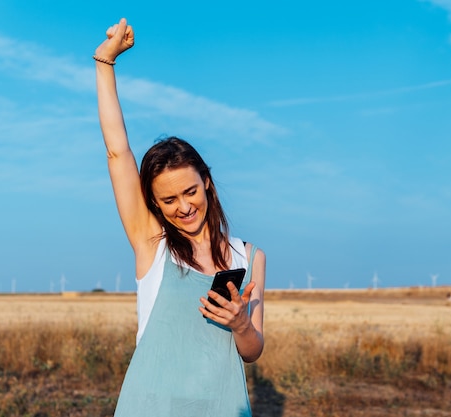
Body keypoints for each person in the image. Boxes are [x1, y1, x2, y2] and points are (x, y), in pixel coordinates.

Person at [94, 18, 266, 417]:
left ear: (208, 184)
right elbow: (118, 153)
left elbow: (253, 351)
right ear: (154, 204)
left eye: (190, 191)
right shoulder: (151, 245)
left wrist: (241, 324)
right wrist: (105, 63)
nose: (183, 207)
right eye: (168, 200)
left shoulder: (249, 256)